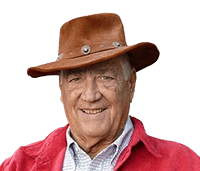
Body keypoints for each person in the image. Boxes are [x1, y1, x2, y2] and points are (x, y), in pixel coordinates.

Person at [0, 12, 199, 171]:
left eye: (105, 77)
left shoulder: (182, 164)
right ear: (62, 90)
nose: (90, 95)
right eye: (75, 79)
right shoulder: (19, 165)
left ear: (131, 84)